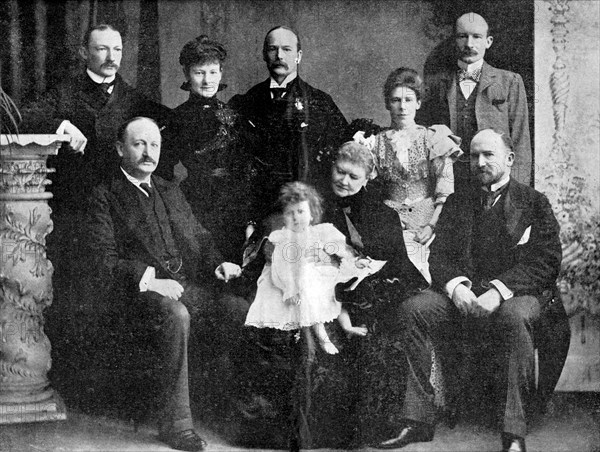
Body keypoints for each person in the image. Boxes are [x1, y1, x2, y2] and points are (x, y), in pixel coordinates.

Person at [376, 129, 568, 452]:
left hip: (517, 295)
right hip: (465, 294)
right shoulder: (457, 201)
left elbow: (547, 261)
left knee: (515, 316)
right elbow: (440, 257)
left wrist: (499, 290)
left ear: (509, 159)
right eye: (475, 156)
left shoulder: (534, 203)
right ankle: (418, 419)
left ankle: (513, 433)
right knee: (415, 309)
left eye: (488, 155)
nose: (479, 162)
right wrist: (456, 288)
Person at [83, 116, 244, 452]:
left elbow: (200, 237)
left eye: (154, 145)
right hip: (134, 298)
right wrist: (152, 281)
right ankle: (177, 425)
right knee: (176, 314)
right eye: (139, 143)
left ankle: (233, 414)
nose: (148, 152)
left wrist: (218, 264)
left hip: (184, 286)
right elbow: (103, 262)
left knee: (237, 309)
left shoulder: (169, 190)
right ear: (119, 148)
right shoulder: (104, 195)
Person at [19, 23, 169, 209]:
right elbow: (21, 118)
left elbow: (173, 127)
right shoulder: (64, 92)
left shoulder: (136, 100)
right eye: (102, 49)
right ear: (84, 52)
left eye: (117, 49)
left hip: (120, 204)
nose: (111, 57)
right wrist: (63, 126)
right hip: (71, 203)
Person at [229, 26, 348, 224]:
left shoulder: (319, 102)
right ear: (264, 55)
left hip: (311, 208)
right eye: (272, 49)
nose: (279, 55)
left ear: (298, 56)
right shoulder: (247, 102)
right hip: (264, 209)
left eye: (287, 49)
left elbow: (341, 154)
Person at [245, 181, 380, 354]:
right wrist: (290, 289)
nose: (295, 218)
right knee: (310, 285)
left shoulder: (319, 232)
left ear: (311, 215)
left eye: (300, 212)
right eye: (289, 213)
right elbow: (279, 267)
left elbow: (340, 250)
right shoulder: (284, 239)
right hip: (300, 280)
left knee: (340, 286)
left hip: (323, 273)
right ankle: (323, 338)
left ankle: (347, 325)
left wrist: (354, 261)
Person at [155, 35, 257, 261]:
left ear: (221, 73)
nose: (207, 80)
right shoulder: (176, 120)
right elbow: (162, 174)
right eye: (199, 73)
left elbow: (248, 169)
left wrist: (251, 220)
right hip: (196, 207)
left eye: (213, 72)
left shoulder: (235, 116)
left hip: (236, 209)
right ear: (186, 75)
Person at [360, 67, 462, 283]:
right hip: (390, 224)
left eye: (408, 99)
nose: (402, 107)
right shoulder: (375, 142)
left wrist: (431, 225)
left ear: (418, 103)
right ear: (388, 104)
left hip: (427, 222)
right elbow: (362, 186)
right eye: (396, 100)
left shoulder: (433, 138)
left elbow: (445, 189)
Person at [417, 12, 531, 189]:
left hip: (493, 181)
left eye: (476, 37)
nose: (469, 44)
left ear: (488, 41)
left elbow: (520, 142)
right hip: (449, 181)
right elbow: (422, 134)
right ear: (455, 41)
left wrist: (517, 192)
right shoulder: (436, 84)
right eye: (462, 36)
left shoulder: (510, 82)